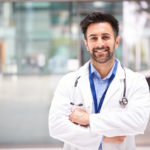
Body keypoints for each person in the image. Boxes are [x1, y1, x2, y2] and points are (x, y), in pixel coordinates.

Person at [49, 12, 150, 150]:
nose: (100, 43)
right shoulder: (69, 81)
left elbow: (137, 122)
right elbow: (56, 126)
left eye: (105, 37)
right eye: (94, 38)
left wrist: (88, 119)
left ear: (117, 42)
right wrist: (102, 137)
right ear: (86, 44)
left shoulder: (136, 81)